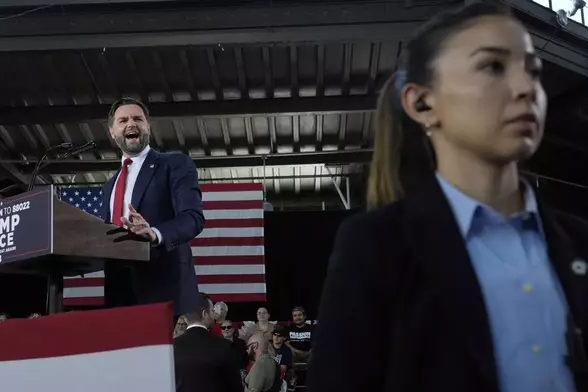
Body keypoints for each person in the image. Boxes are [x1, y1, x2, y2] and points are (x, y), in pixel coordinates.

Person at [308, 3, 588, 392]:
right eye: (492, 66)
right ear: (422, 103)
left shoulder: (580, 243)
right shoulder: (376, 246)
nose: (527, 88)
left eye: (534, 71)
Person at [101, 97, 205, 319]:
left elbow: (192, 217)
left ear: (148, 126)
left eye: (138, 118)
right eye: (123, 120)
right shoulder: (109, 186)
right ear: (112, 131)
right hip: (120, 295)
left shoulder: (174, 164)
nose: (131, 124)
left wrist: (155, 233)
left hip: (165, 290)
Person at [173, 292, 243, 392]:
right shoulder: (224, 346)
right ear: (205, 314)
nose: (214, 315)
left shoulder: (172, 348)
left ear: (185, 317)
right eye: (212, 311)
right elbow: (235, 388)